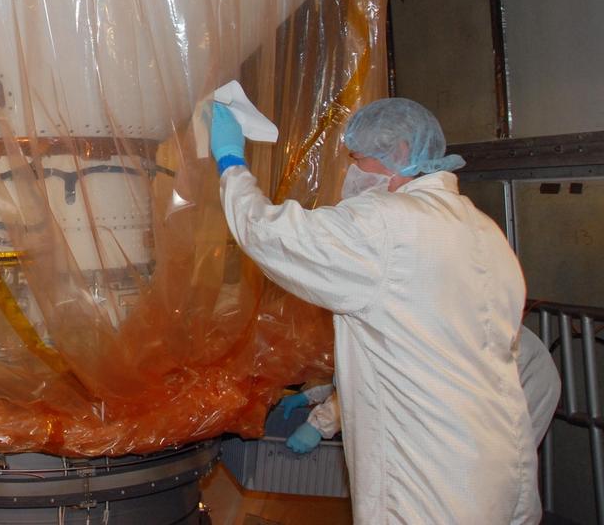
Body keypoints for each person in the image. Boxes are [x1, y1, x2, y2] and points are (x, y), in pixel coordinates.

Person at [208, 96, 539, 523]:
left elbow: (270, 235)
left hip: (433, 473)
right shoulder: (482, 228)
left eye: (358, 158)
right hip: (504, 456)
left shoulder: (386, 224)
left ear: (400, 152)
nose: (352, 170)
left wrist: (231, 163)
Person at [279, 325, 561, 457]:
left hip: (521, 374)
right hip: (489, 371)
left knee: (500, 472)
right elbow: (362, 375)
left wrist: (319, 424)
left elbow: (371, 377)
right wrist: (310, 396)